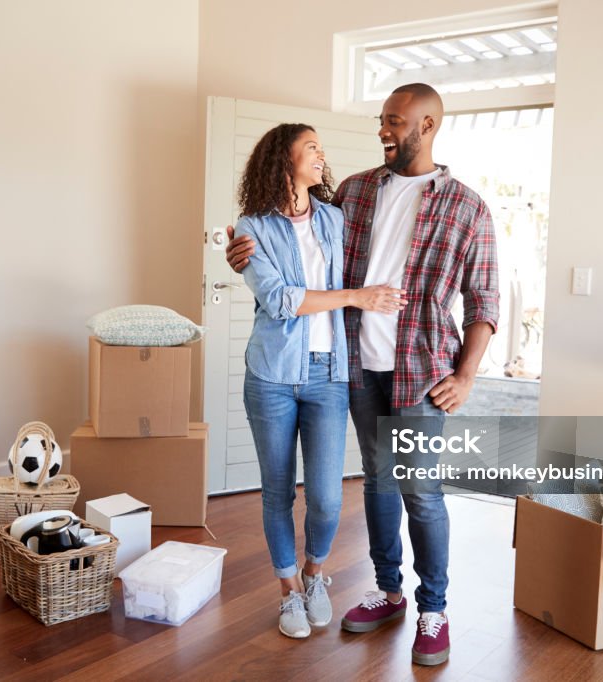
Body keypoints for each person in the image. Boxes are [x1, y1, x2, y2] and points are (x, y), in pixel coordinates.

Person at [227, 83, 499, 666]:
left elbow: (485, 302)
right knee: (377, 483)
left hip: (421, 373)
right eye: (382, 119)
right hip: (353, 368)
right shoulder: (353, 193)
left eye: (394, 122)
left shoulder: (467, 206)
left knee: (420, 492)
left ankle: (434, 608)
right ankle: (389, 590)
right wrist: (243, 255)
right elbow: (296, 253)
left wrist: (469, 374)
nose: (382, 130)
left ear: (426, 127)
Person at [233, 122, 407, 640]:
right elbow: (282, 300)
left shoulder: (334, 218)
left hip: (328, 375)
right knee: (278, 491)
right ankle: (287, 591)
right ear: (282, 158)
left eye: (321, 149)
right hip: (271, 375)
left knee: (328, 497)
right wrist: (356, 296)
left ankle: (314, 576)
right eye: (311, 147)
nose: (321, 155)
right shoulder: (251, 227)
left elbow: (384, 244)